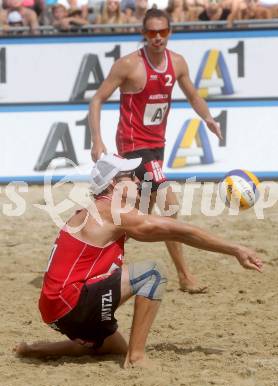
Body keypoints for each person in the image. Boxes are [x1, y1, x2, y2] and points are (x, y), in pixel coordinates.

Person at [14, 154, 263, 367]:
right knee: (152, 273)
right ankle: (137, 358)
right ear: (113, 184)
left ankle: (36, 349)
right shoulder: (113, 212)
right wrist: (235, 249)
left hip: (55, 309)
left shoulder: (94, 210)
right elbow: (182, 231)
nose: (136, 181)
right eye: (129, 177)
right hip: (72, 303)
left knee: (112, 346)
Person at [89, 8, 222, 294]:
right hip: (134, 145)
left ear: (169, 32)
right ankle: (186, 276)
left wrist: (208, 118)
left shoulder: (177, 63)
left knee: (137, 219)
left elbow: (193, 95)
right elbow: (97, 99)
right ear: (144, 34)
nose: (157, 37)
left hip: (157, 146)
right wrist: (96, 139)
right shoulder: (129, 65)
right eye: (151, 32)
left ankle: (96, 258)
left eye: (162, 32)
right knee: (170, 204)